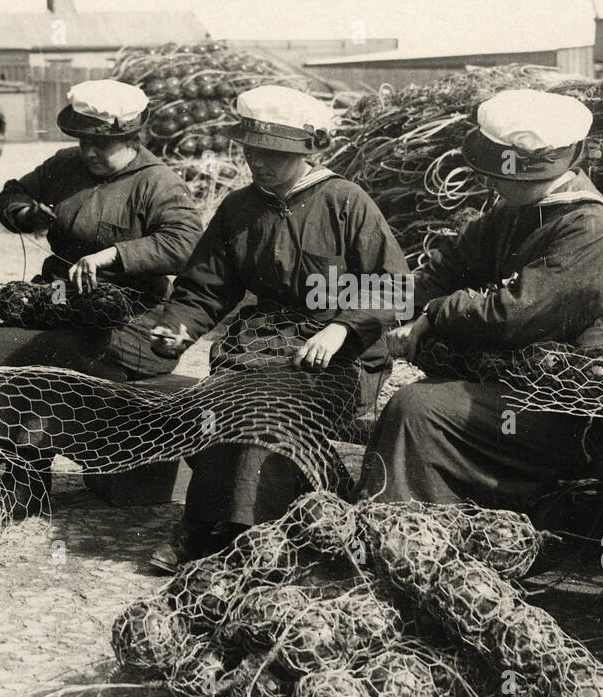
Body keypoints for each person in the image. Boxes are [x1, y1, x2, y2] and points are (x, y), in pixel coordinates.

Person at [148, 85, 409, 572]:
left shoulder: (346, 202)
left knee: (263, 404)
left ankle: (251, 534)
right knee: (213, 401)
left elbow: (393, 287)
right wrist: (178, 326)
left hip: (340, 356)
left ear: (307, 151)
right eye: (251, 152)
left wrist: (340, 329)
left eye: (273, 154)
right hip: (260, 345)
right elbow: (205, 287)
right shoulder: (238, 208)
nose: (258, 163)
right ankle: (202, 523)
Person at [358, 89, 603, 510]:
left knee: (420, 405)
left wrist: (432, 318)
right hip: (530, 381)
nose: (490, 181)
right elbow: (443, 271)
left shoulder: (590, 228)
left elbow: (514, 313)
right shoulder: (515, 211)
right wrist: (364, 316)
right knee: (421, 400)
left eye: (503, 173)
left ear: (541, 169)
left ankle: (409, 522)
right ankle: (411, 512)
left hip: (588, 401)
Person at [0, 80, 204, 516]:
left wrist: (115, 254)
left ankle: (43, 472)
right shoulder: (65, 166)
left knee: (51, 353)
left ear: (131, 138)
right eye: (84, 141)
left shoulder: (157, 183)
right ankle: (21, 474)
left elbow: (187, 242)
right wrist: (22, 212)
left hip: (129, 319)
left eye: (103, 143)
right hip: (60, 301)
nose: (90, 152)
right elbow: (12, 192)